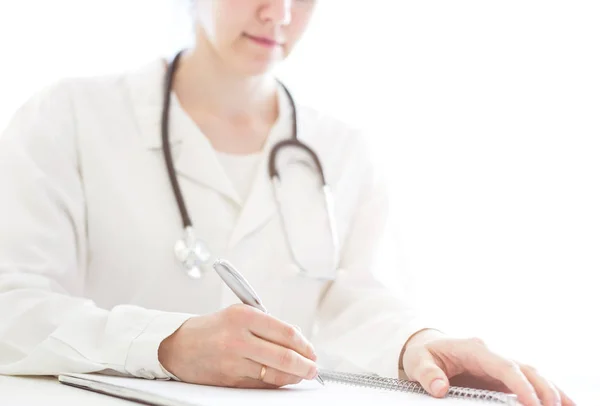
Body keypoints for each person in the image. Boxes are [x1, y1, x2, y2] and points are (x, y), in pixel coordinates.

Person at [0, 1, 574, 405]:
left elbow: (352, 300)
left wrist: (417, 345)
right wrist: (167, 345)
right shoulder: (67, 119)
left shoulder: (344, 150)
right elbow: (11, 310)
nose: (279, 13)